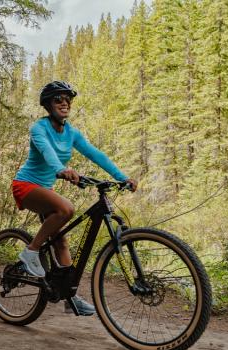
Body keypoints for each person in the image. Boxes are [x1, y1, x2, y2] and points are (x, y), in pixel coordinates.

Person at [12, 81, 138, 315]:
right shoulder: (39, 128)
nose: (64, 102)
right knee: (66, 209)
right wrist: (61, 168)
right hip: (25, 186)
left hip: (45, 190)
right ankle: (31, 251)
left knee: (61, 241)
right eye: (58, 99)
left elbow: (96, 154)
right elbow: (46, 151)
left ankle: (69, 297)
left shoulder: (71, 133)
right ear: (48, 104)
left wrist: (123, 177)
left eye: (67, 99)